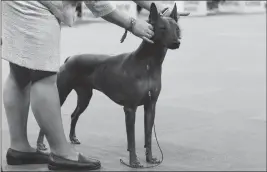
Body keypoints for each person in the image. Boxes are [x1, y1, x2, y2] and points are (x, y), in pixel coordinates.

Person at [2, 1, 172, 170]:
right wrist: (131, 23)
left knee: (20, 73)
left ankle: (20, 148)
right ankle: (62, 152)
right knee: (43, 77)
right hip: (36, 6)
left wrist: (157, 6)